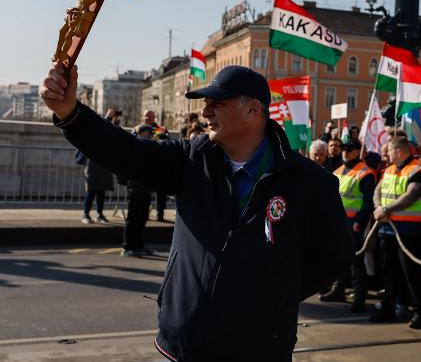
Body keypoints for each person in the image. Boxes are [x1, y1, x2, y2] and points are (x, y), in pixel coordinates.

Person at [39, 63, 353, 361]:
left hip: (259, 348)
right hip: (187, 343)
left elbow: (334, 257)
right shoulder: (192, 159)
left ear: (253, 110)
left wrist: (274, 295)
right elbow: (127, 152)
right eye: (205, 104)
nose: (204, 112)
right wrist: (70, 112)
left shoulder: (311, 183)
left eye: (217, 103)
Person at [371, 136, 421, 328]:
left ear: (398, 152)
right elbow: (378, 191)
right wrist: (378, 208)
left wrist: (386, 210)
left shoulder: (420, 170)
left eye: (389, 151)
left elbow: (411, 196)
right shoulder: (389, 169)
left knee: (413, 275)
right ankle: (388, 307)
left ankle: (420, 313)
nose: (387, 154)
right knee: (389, 273)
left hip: (411, 231)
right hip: (388, 230)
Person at [325, 140, 375, 312]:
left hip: (353, 223)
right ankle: (338, 290)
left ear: (356, 152)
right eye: (344, 149)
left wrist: (359, 222)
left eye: (349, 150)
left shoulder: (365, 172)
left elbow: (368, 202)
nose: (345, 152)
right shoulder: (338, 170)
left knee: (356, 262)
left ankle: (359, 297)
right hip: (338, 221)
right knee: (339, 258)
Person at [120, 124, 155, 256]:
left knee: (142, 219)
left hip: (145, 188)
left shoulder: (148, 147)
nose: (150, 135)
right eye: (148, 133)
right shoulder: (134, 147)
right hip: (135, 189)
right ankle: (127, 246)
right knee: (133, 220)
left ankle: (139, 246)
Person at [77, 146, 115, 224]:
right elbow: (80, 158)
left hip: (103, 169)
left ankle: (99, 214)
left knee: (101, 193)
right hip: (92, 168)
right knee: (91, 193)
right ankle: (86, 214)